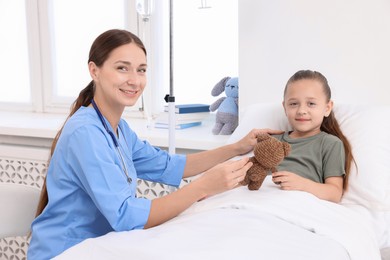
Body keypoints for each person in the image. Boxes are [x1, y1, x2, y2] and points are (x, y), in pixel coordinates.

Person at [27, 29, 280, 259]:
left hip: (100, 245)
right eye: (122, 68)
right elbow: (125, 216)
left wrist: (237, 147)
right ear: (94, 70)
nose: (135, 80)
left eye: (142, 69)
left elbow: (170, 166)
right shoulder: (86, 133)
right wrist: (202, 187)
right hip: (65, 251)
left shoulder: (119, 129)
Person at [271, 70, 355, 203]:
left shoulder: (330, 143)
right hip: (264, 201)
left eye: (311, 103)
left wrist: (302, 184)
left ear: (327, 108)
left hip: (298, 204)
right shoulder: (273, 141)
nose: (301, 111)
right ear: (284, 107)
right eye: (293, 104)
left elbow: (335, 193)